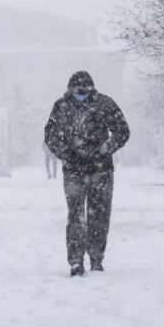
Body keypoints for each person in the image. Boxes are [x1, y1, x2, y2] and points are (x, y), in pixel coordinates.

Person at [44, 70, 130, 276]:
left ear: (91, 89)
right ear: (70, 90)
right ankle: (76, 260)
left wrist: (105, 148)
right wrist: (66, 153)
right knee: (77, 215)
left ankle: (95, 257)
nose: (80, 94)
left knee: (98, 215)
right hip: (76, 169)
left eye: (84, 91)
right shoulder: (62, 106)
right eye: (77, 91)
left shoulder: (104, 104)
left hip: (99, 170)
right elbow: (50, 135)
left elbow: (122, 130)